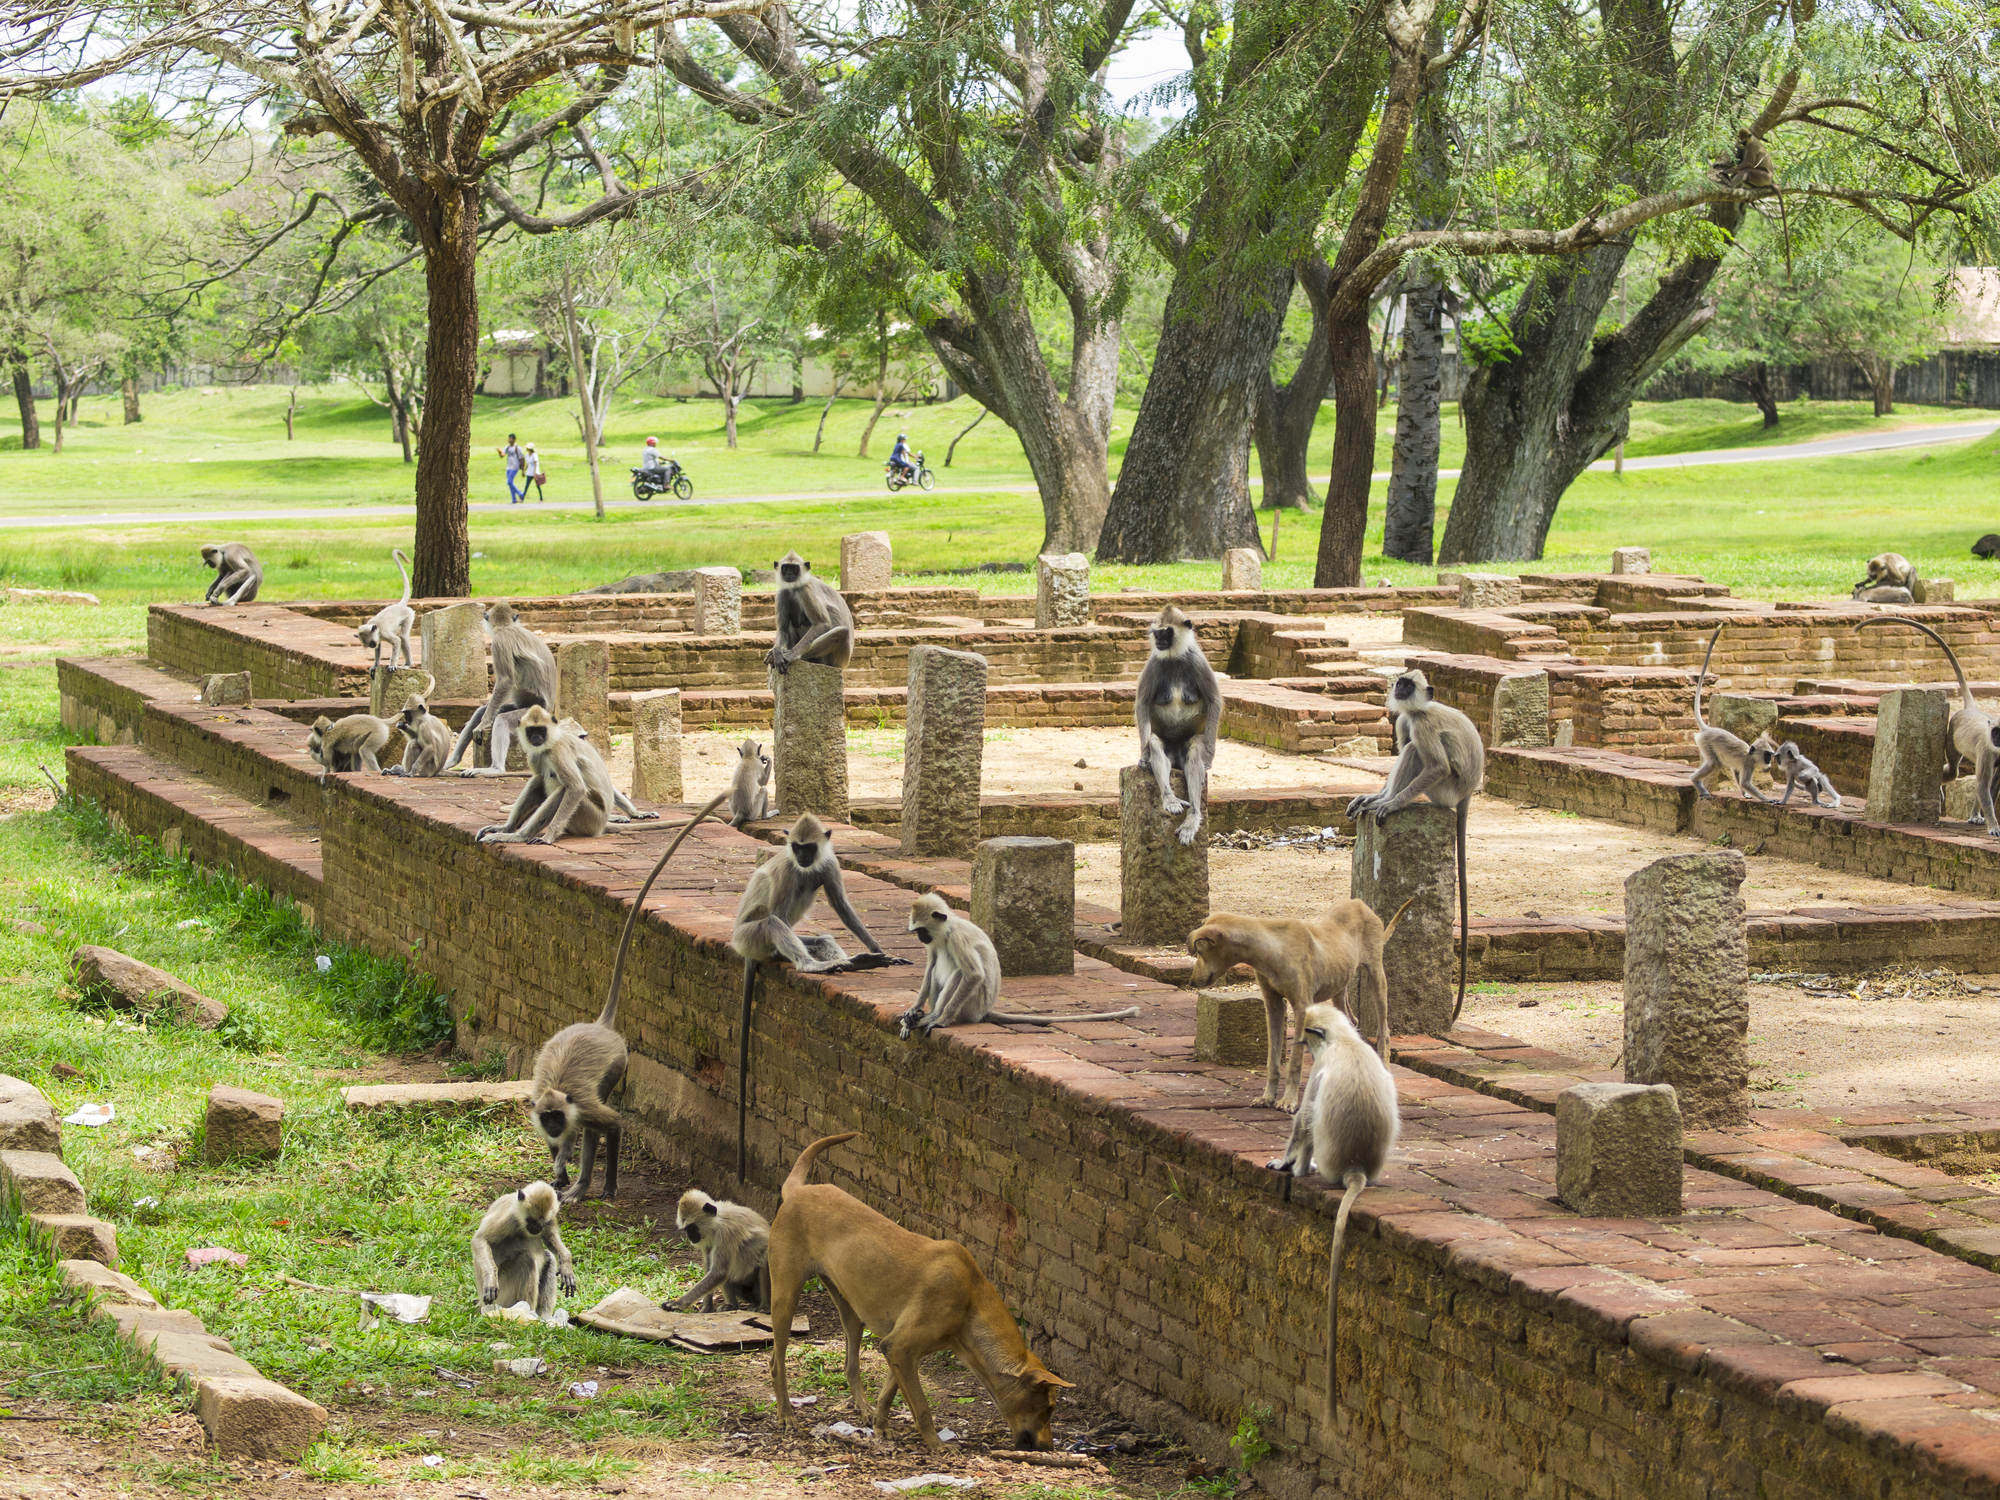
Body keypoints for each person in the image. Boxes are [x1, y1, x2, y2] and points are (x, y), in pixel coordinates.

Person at [498, 434, 524, 503]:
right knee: (510, 483)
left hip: (515, 466)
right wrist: (499, 452)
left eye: (511, 438)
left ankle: (520, 493)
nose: (509, 440)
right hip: (508, 467)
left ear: (514, 439)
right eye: (509, 438)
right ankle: (514, 499)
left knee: (509, 482)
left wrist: (523, 469)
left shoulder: (517, 448)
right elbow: (502, 455)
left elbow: (521, 458)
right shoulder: (507, 447)